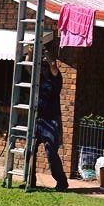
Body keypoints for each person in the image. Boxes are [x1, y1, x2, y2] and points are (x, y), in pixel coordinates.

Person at [28, 48, 69, 191]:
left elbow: (53, 65)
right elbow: (28, 66)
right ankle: (30, 181)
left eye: (45, 66)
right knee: (29, 150)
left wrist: (45, 51)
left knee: (51, 153)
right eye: (42, 66)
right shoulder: (38, 79)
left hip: (52, 121)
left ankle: (61, 182)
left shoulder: (56, 80)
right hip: (37, 119)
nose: (44, 68)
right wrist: (31, 52)